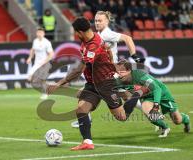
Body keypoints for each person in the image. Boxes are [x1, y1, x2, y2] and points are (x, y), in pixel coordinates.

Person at [47, 17, 144, 150]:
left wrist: (59, 83)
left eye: (76, 32)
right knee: (81, 109)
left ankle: (137, 92)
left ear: (80, 32)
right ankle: (87, 142)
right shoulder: (86, 43)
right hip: (92, 84)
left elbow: (79, 69)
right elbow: (108, 50)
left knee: (122, 117)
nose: (76, 35)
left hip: (106, 84)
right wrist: (110, 61)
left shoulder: (94, 45)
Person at [70, 10, 145, 128]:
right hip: (105, 74)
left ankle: (151, 113)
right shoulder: (96, 35)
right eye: (95, 20)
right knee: (125, 97)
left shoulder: (107, 34)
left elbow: (127, 38)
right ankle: (152, 114)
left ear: (107, 21)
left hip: (109, 74)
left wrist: (134, 55)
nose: (97, 23)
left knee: (124, 99)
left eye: (100, 20)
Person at [115, 60, 191, 137]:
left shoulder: (141, 77)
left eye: (122, 72)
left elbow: (157, 89)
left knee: (177, 120)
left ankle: (186, 119)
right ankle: (165, 127)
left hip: (162, 93)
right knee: (148, 112)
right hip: (147, 97)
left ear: (129, 71)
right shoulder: (118, 81)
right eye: (117, 72)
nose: (119, 75)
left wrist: (156, 106)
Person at [26, 28, 54, 100]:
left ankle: (45, 93)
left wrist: (44, 62)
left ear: (43, 34)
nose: (39, 34)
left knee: (41, 79)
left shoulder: (47, 42)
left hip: (45, 64)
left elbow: (51, 54)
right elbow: (33, 50)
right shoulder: (35, 41)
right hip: (36, 64)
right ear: (36, 33)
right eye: (38, 32)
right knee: (29, 76)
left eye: (41, 33)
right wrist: (29, 58)